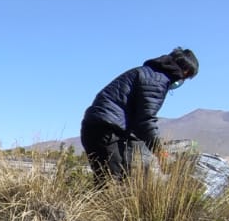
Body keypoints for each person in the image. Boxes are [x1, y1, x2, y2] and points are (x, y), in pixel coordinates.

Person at [80, 47, 200, 180]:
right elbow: (145, 121)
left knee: (111, 180)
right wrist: (160, 153)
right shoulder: (157, 80)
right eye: (186, 77)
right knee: (112, 183)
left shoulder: (149, 73)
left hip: (99, 126)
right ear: (185, 71)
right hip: (106, 130)